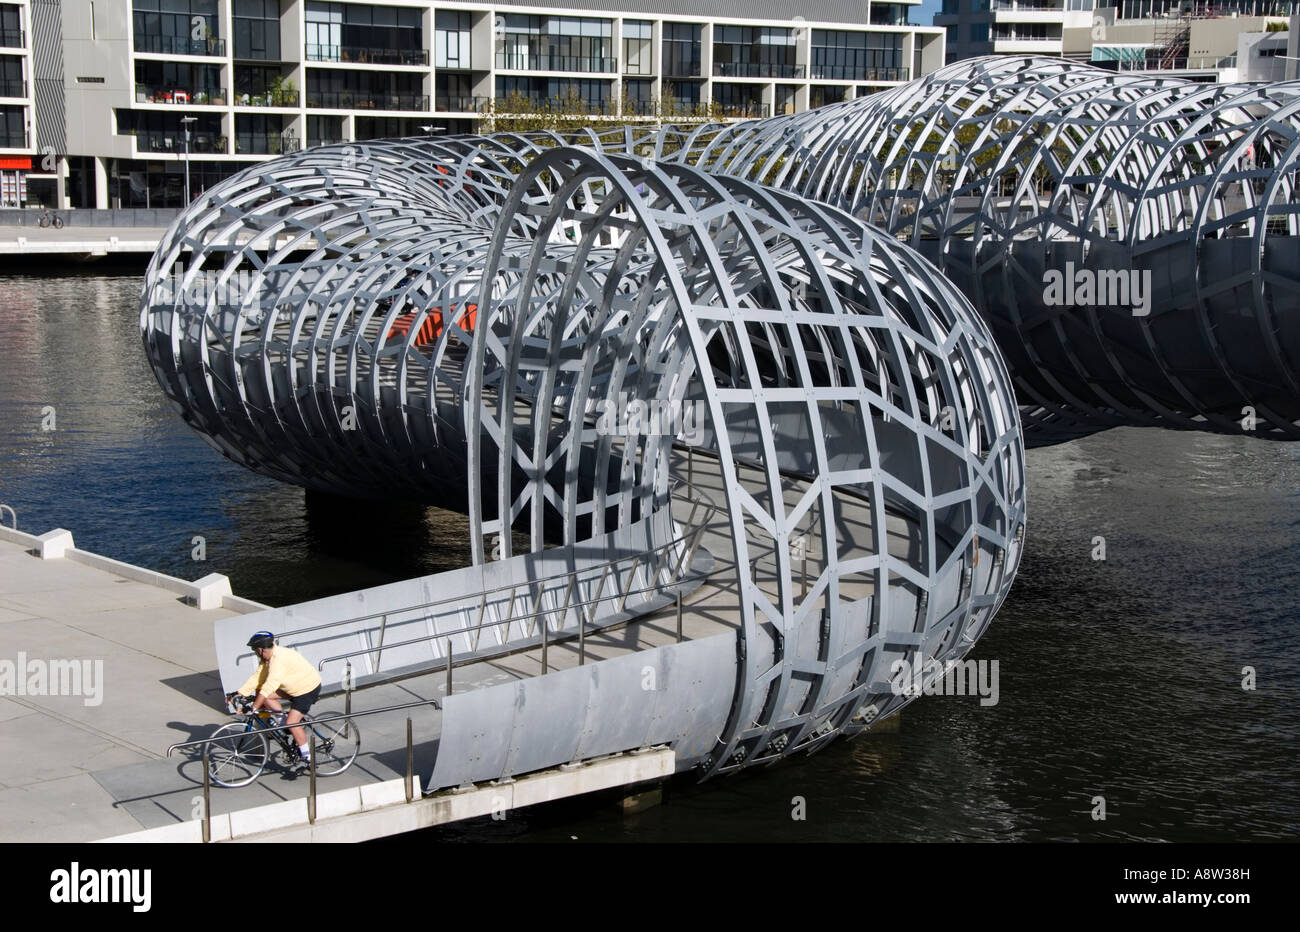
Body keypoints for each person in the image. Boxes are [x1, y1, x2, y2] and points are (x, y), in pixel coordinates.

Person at [226, 631, 322, 772]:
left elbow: (268, 686)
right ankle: (281, 719)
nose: (255, 653)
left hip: (307, 689)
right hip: (293, 687)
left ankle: (307, 758)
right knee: (269, 698)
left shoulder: (279, 660)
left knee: (292, 722)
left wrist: (254, 707)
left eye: (254, 650)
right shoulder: (268, 658)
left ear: (260, 649)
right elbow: (259, 676)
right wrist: (239, 692)